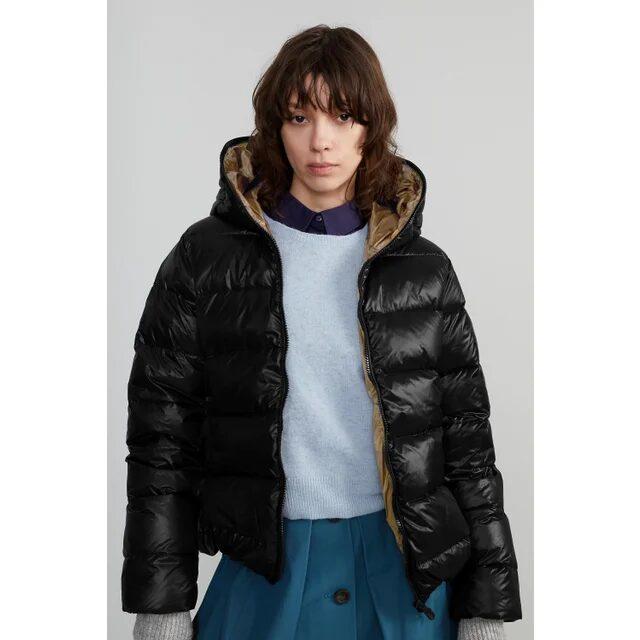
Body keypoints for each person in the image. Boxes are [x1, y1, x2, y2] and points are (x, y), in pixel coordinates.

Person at [121, 24, 522, 640]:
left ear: (371, 128)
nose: (321, 140)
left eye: (343, 115)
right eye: (299, 116)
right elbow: (162, 446)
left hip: (406, 583)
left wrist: (486, 609)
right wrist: (162, 608)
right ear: (275, 127)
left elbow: (469, 449)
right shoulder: (205, 260)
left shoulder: (423, 271)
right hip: (265, 575)